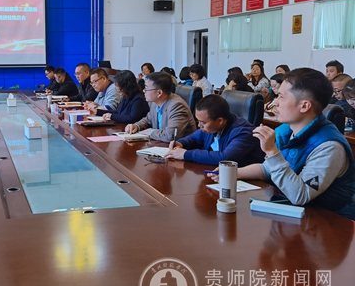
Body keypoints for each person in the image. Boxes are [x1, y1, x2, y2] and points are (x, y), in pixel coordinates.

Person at [211, 68, 355, 220]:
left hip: (329, 221)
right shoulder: (288, 129)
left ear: (304, 106)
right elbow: (269, 168)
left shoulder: (329, 147)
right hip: (295, 214)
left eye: (281, 96)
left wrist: (272, 152)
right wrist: (233, 173)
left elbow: (300, 195)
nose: (275, 103)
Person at [165, 94, 265, 167]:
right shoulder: (211, 127)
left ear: (220, 121)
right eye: (198, 121)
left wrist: (186, 154)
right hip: (216, 173)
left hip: (247, 182)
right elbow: (193, 139)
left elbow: (224, 158)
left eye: (203, 122)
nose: (199, 125)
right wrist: (181, 143)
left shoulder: (244, 132)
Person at [125, 72, 196, 142]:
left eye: (146, 88)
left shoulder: (177, 106)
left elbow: (170, 136)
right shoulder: (155, 103)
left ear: (159, 93)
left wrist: (151, 132)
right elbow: (148, 120)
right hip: (161, 144)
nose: (144, 91)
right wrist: (136, 126)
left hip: (179, 147)